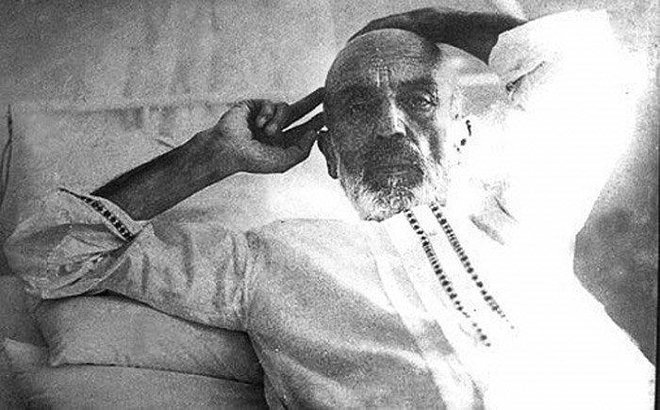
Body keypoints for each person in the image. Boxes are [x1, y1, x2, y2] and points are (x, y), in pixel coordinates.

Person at [5, 7, 654, 409]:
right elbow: (52, 252)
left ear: (462, 132)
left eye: (420, 100)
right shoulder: (269, 261)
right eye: (359, 107)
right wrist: (213, 155)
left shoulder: (520, 206)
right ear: (330, 153)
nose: (393, 126)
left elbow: (585, 65)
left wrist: (420, 23)